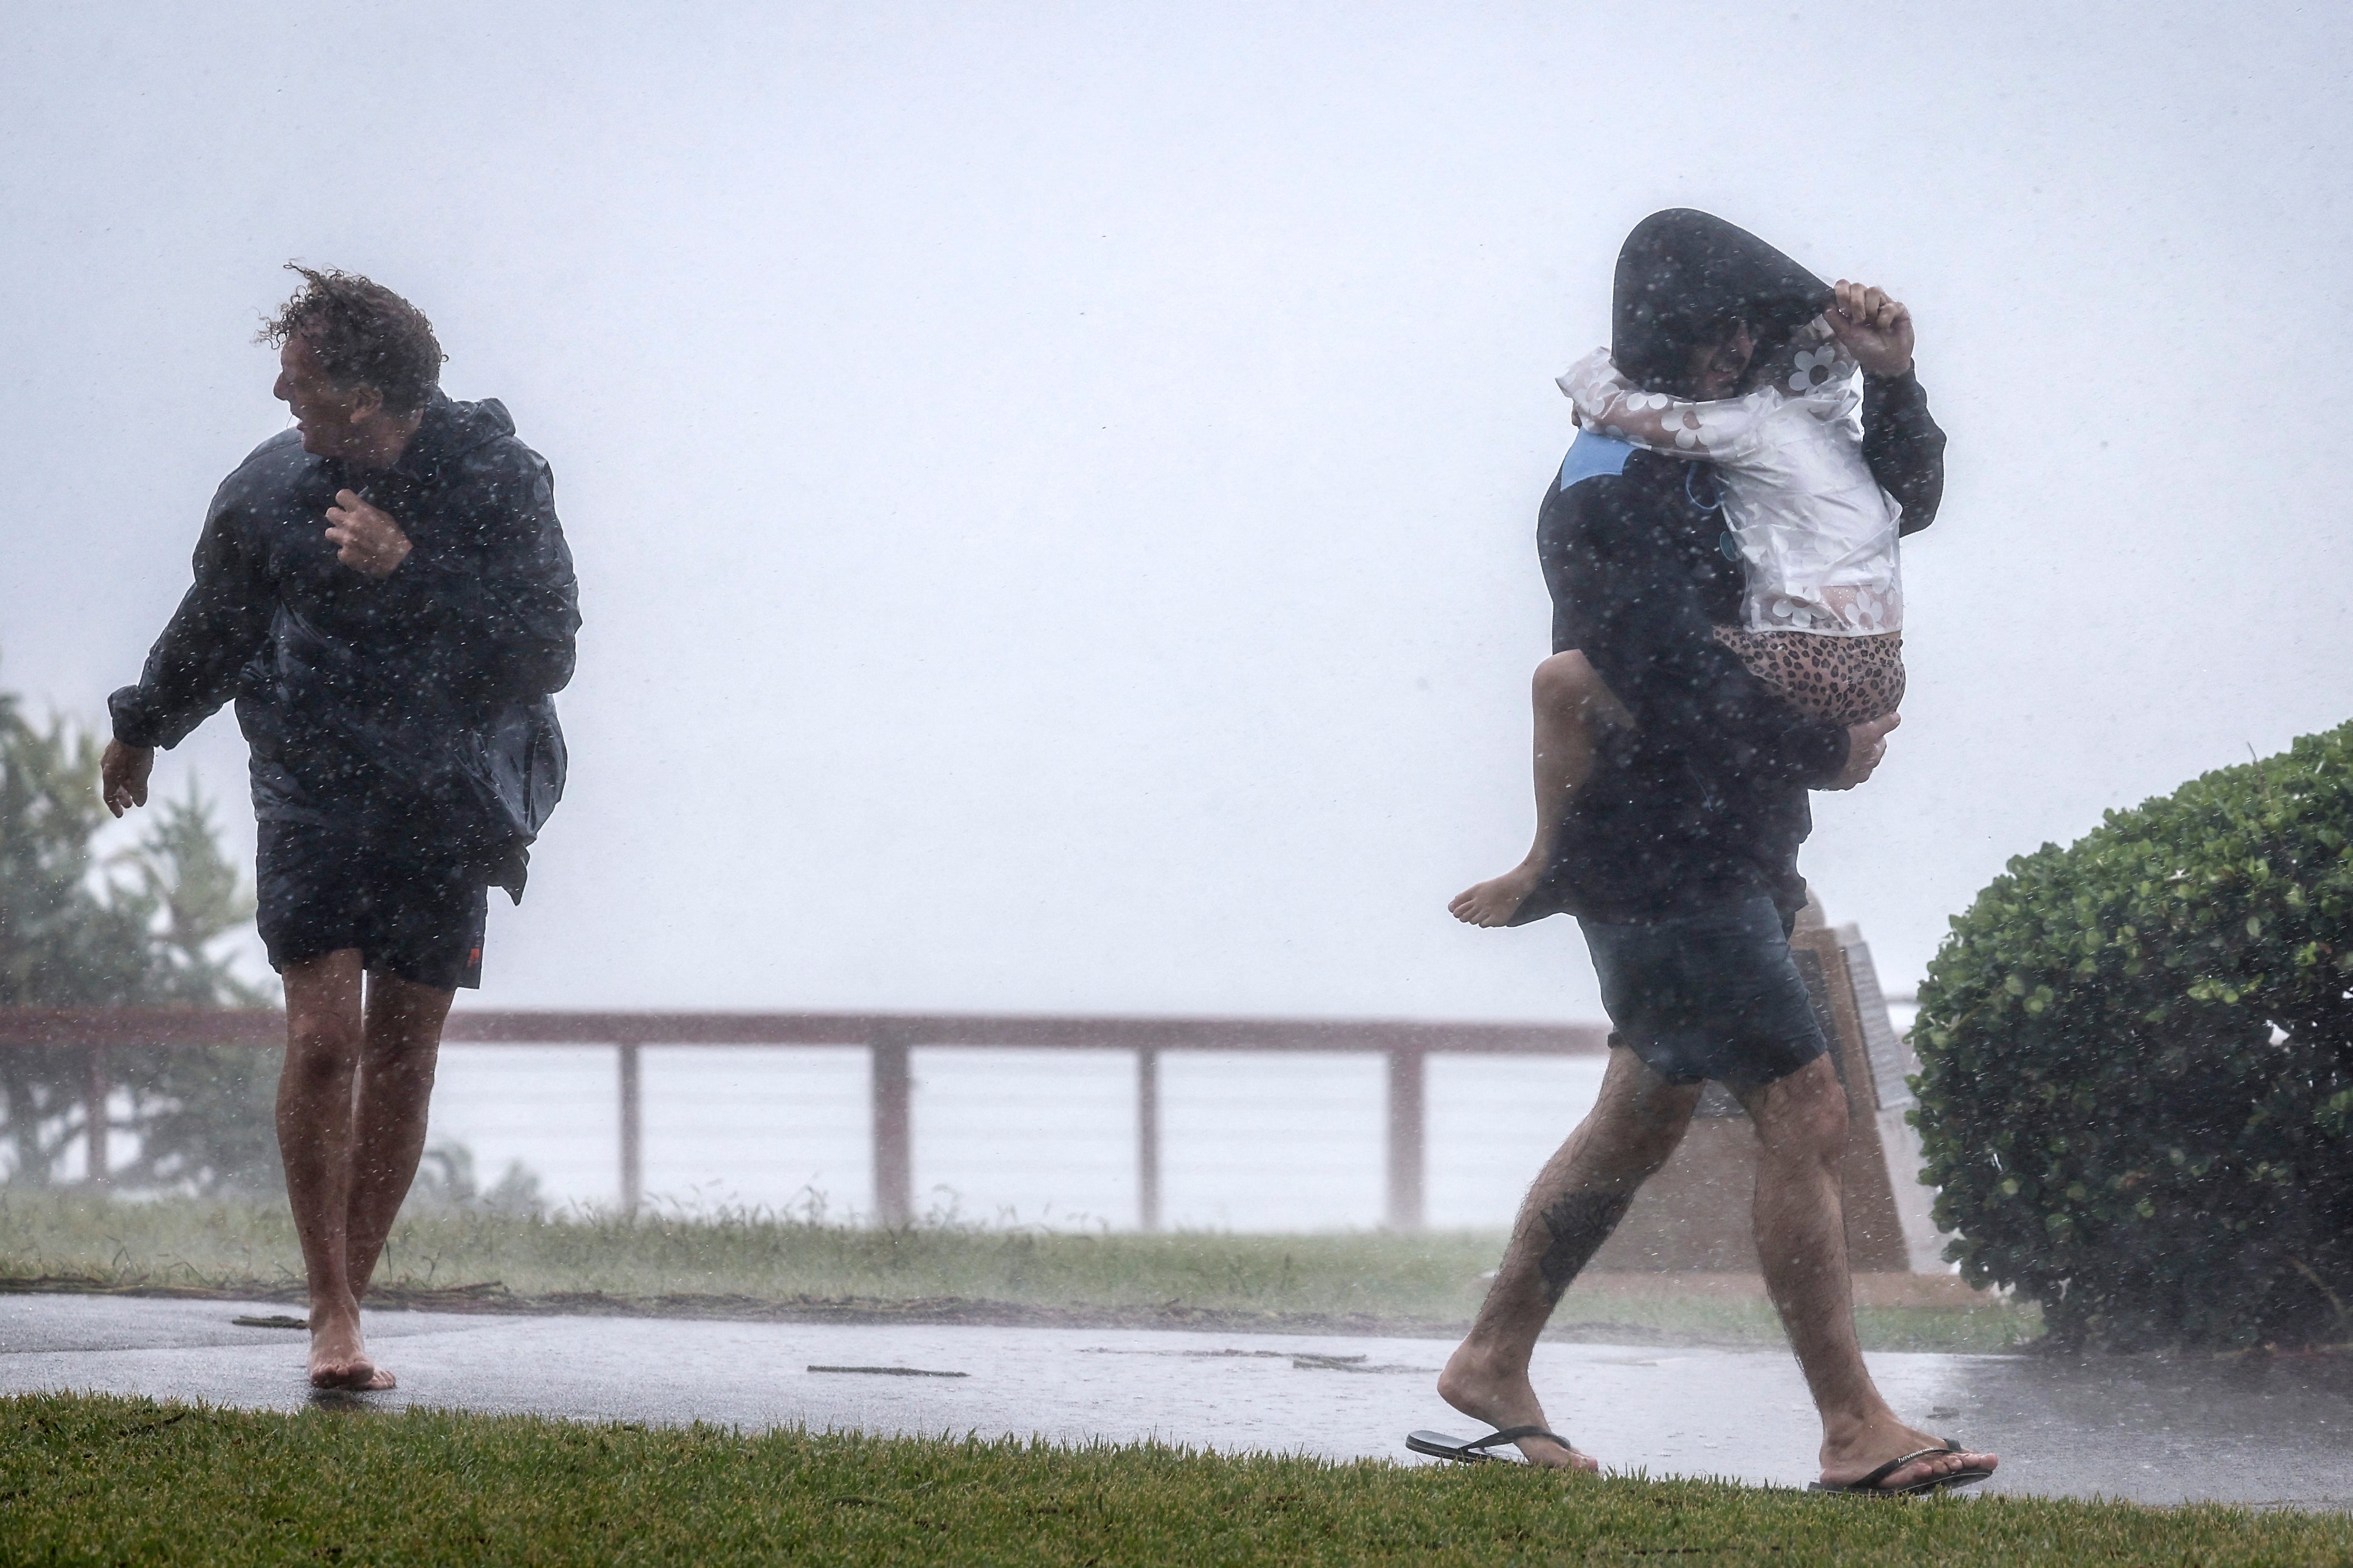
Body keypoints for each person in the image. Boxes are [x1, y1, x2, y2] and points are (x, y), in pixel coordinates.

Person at [1419, 211, 1997, 1495]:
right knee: (1808, 1105)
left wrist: (1895, 380)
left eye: (1758, 330)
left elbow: (1900, 502)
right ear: (1680, 343)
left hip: (1724, 836)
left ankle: (1491, 1357)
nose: (1753, 349)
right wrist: (1825, 750)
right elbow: (1664, 679)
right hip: (1657, 852)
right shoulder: (1611, 485)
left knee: (1644, 1108)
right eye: (1732, 330)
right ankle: (1854, 1427)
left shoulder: (1727, 449)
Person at [100, 267, 579, 1391]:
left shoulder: (498, 481)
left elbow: (544, 645)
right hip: (314, 780)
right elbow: (215, 624)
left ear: (368, 398)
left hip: (447, 789)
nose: (281, 393)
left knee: (405, 1055)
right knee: (326, 1042)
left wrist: (411, 569)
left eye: (302, 382)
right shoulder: (273, 493)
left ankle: (345, 1302)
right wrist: (144, 725)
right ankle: (329, 1308)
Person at [1450, 278, 1912, 929]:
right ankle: (1610, 890)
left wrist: (1594, 394)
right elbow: (1912, 498)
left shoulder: (1753, 425)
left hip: (1809, 675)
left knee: (1580, 681)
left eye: (1749, 337)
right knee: (1672, 675)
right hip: (1880, 669)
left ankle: (1546, 860)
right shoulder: (1832, 433)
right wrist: (1891, 376)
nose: (1740, 351)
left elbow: (1642, 417)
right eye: (1721, 334)